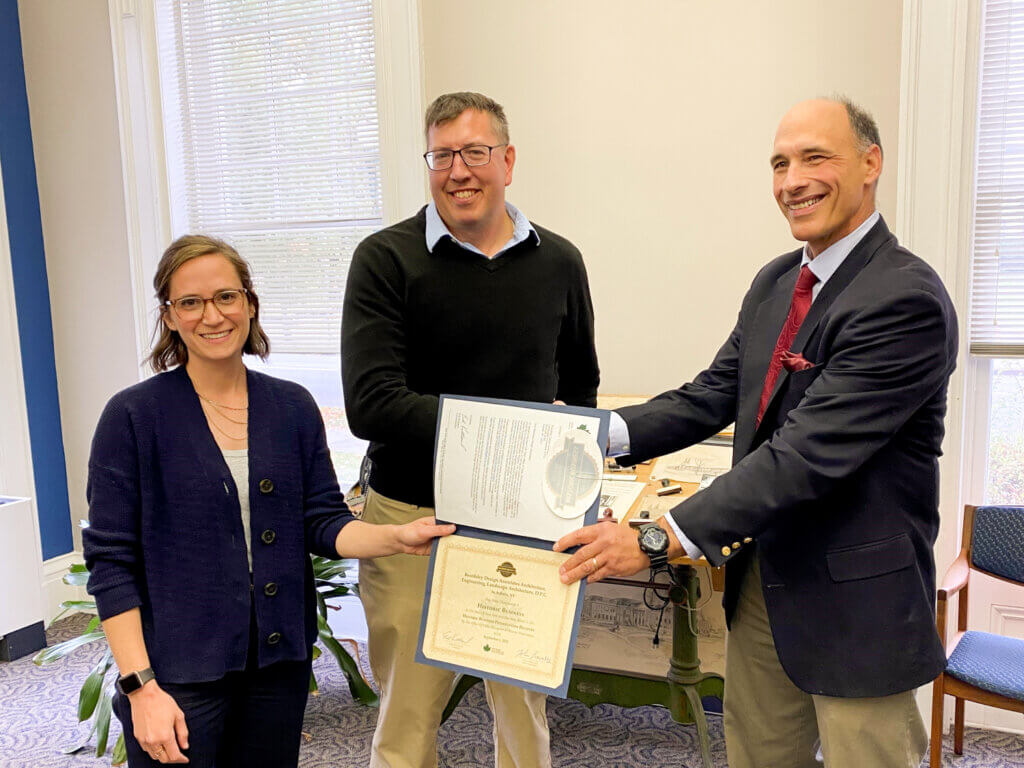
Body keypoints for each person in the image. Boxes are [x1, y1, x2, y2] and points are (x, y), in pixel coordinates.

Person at [555, 98, 958, 768]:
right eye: (779, 163)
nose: (792, 180)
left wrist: (657, 540)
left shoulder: (902, 298)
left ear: (870, 163)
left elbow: (802, 456)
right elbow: (711, 394)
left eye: (814, 158)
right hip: (765, 586)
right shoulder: (777, 281)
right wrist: (594, 434)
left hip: (858, 606)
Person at [83, 235, 454, 768]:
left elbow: (322, 521)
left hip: (278, 665)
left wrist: (395, 536)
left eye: (226, 297)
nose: (212, 315)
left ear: (250, 304)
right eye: (190, 302)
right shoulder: (133, 416)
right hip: (178, 673)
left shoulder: (292, 407)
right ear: (169, 316)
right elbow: (111, 563)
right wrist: (141, 688)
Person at [341, 91, 600, 768]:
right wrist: (509, 434)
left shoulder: (560, 263)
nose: (459, 170)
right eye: (442, 155)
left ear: (507, 161)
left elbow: (578, 390)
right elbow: (371, 403)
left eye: (475, 153)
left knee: (524, 716)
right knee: (406, 721)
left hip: (523, 525)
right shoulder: (384, 260)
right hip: (409, 523)